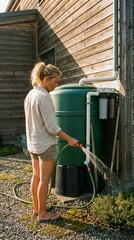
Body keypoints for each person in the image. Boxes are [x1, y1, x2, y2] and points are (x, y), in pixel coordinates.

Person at [24, 62, 79, 223]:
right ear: (46, 79)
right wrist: (69, 139)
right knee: (45, 179)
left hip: (33, 143)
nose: (57, 85)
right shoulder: (44, 97)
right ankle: (42, 214)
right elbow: (52, 127)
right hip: (45, 145)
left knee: (36, 176)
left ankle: (37, 207)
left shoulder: (31, 95)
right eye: (55, 81)